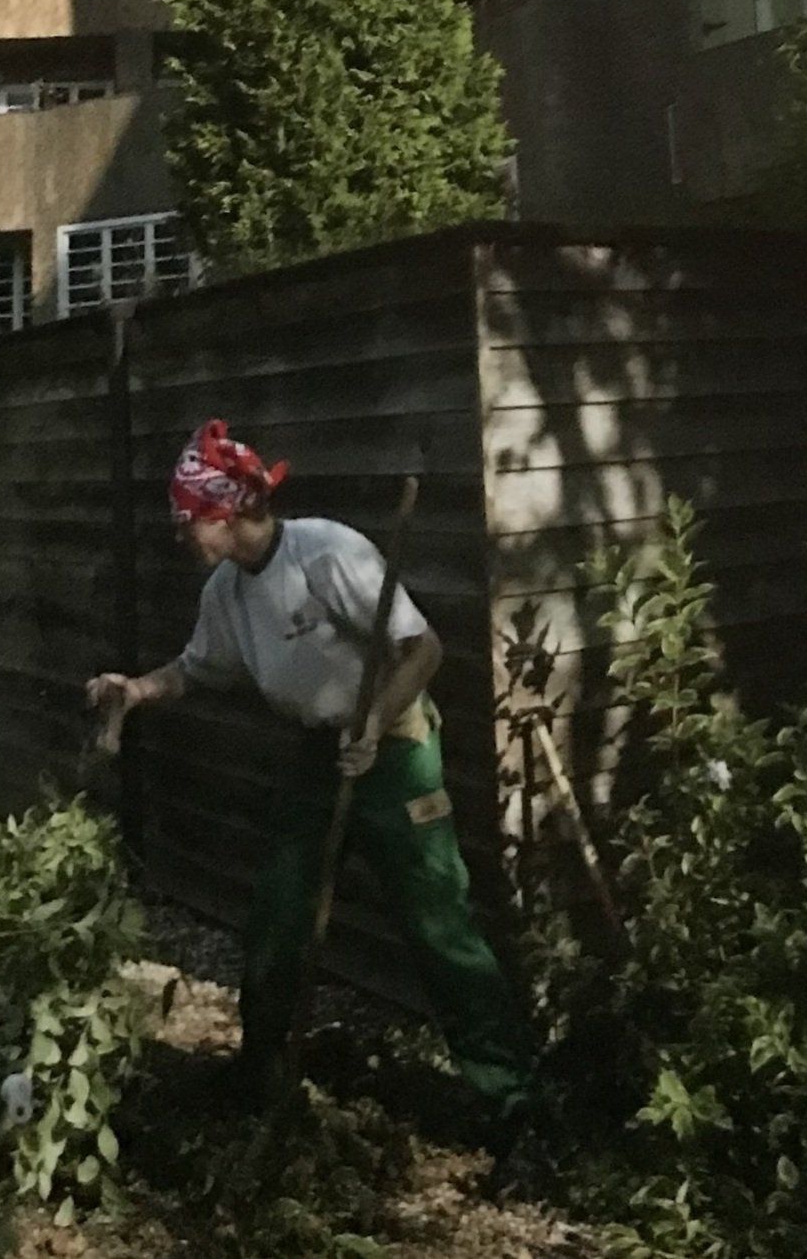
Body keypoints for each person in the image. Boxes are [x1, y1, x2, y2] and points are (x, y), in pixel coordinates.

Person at [86, 418, 533, 1145]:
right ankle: (260, 1080)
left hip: (396, 748)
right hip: (319, 754)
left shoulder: (329, 552)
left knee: (439, 927)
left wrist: (374, 722)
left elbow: (423, 649)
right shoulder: (227, 592)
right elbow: (195, 669)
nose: (179, 535)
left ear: (226, 513)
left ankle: (514, 1107)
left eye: (185, 520)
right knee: (277, 916)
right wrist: (135, 689)